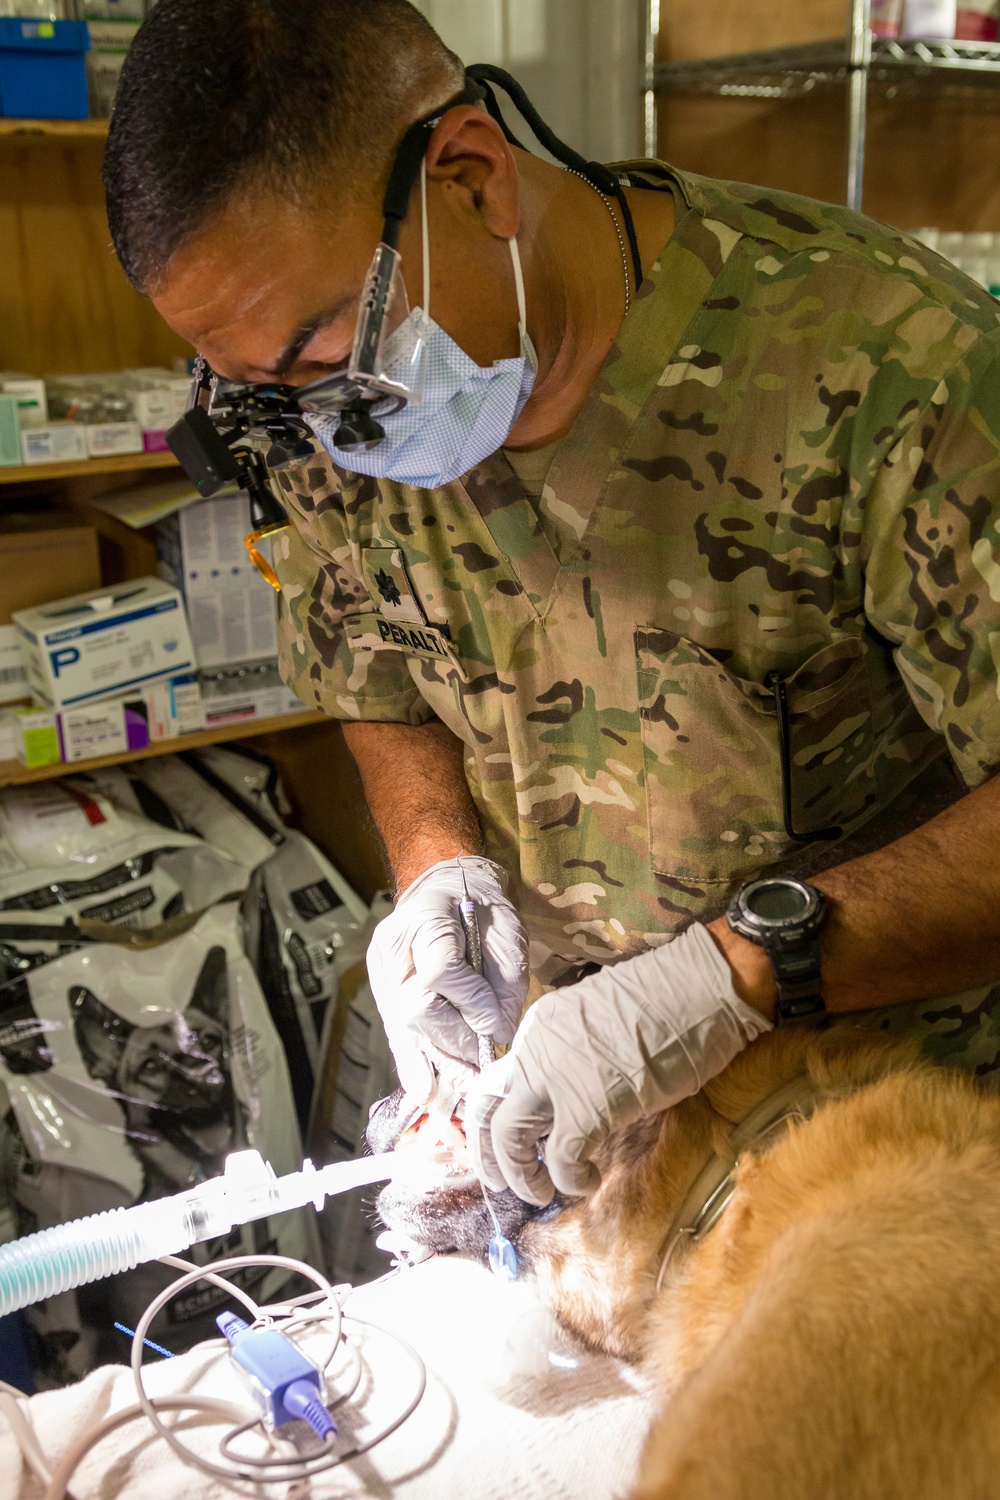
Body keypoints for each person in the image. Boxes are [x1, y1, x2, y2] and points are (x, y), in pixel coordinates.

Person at [104, 0, 1000, 1210]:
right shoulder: (303, 412)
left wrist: (730, 976)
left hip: (882, 1146)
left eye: (324, 363)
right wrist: (434, 870)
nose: (318, 427)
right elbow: (373, 664)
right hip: (570, 1136)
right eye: (259, 388)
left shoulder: (886, 367)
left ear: (471, 178)